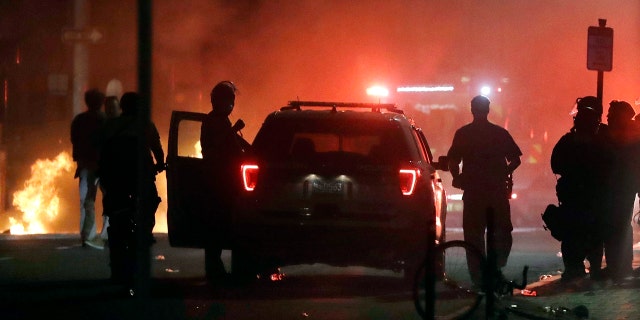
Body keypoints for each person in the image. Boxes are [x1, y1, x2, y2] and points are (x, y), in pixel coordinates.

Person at [446, 95, 522, 287]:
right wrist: (503, 172)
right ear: (488, 110)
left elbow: (453, 161)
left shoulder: (463, 134)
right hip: (496, 192)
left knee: (473, 236)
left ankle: (479, 277)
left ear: (472, 110)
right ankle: (495, 270)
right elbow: (516, 159)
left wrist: (457, 177)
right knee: (501, 233)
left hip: (473, 193)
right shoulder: (499, 134)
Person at [98, 92, 165, 286]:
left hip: (115, 181)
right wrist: (160, 164)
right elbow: (158, 150)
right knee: (150, 204)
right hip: (140, 179)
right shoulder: (146, 124)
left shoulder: (110, 125)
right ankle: (144, 237)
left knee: (114, 218)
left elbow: (99, 150)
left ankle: (117, 265)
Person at [551, 96, 612, 282]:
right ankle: (590, 268)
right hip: (592, 196)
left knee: (574, 235)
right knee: (594, 234)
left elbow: (556, 165)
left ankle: (574, 268)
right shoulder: (603, 139)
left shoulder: (569, 140)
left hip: (577, 196)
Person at [200, 81, 249, 283]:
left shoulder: (223, 121)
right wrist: (234, 130)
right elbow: (215, 148)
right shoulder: (213, 121)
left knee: (223, 225)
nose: (232, 104)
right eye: (230, 100)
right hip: (217, 181)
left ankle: (217, 268)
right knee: (217, 225)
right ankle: (214, 268)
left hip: (226, 180)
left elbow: (237, 145)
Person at [601, 100, 637, 281]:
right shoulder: (611, 134)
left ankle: (620, 266)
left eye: (612, 113)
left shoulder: (629, 135)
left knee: (619, 226)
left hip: (622, 188)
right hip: (615, 187)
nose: (608, 116)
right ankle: (617, 266)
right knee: (615, 226)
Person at [70, 88, 107, 249]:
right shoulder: (107, 120)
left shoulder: (79, 120)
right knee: (110, 202)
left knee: (87, 202)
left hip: (86, 166)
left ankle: (88, 235)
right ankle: (106, 234)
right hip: (106, 167)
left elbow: (75, 141)